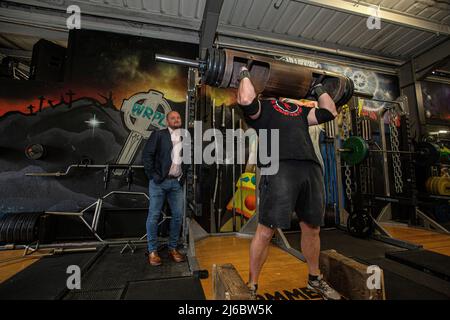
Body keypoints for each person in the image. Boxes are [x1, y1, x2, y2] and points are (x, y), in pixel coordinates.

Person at [237, 66, 341, 300]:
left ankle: (314, 278)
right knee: (266, 230)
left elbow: (329, 111)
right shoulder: (261, 108)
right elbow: (245, 97)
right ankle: (252, 284)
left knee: (312, 228)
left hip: (310, 167)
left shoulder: (299, 110)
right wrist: (244, 71)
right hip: (279, 167)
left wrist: (318, 87)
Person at [142, 110, 187, 266]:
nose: (176, 119)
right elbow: (147, 156)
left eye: (178, 117)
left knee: (178, 215)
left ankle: (173, 248)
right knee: (154, 216)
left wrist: (183, 177)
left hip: (176, 183)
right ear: (167, 122)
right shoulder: (158, 135)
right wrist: (153, 176)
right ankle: (152, 250)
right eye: (173, 118)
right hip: (159, 183)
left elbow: (187, 158)